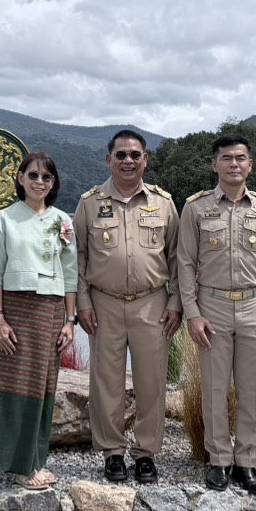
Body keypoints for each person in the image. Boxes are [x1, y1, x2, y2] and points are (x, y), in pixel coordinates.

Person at [176, 134, 256, 495]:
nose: (234, 164)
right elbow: (184, 263)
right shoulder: (196, 208)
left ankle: (247, 462)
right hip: (212, 306)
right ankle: (219, 460)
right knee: (214, 387)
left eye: (241, 158)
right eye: (226, 158)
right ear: (215, 165)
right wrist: (192, 313)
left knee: (252, 388)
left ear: (250, 165)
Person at [74, 130, 181, 484]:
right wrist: (84, 302)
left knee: (152, 381)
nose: (128, 161)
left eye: (135, 154)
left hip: (152, 302)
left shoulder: (163, 203)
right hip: (103, 303)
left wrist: (177, 302)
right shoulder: (90, 203)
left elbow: (178, 258)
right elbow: (77, 257)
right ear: (109, 160)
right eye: (120, 155)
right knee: (107, 381)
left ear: (145, 160)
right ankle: (113, 452)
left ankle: (146, 453)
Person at [0, 153, 78, 489]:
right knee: (16, 387)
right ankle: (19, 465)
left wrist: (70, 321)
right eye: (34, 175)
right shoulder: (5, 219)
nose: (40, 182)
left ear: (54, 184)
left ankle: (35, 460)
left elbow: (71, 274)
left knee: (44, 386)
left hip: (51, 312)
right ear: (21, 178)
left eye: (47, 178)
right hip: (16, 311)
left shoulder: (62, 220)